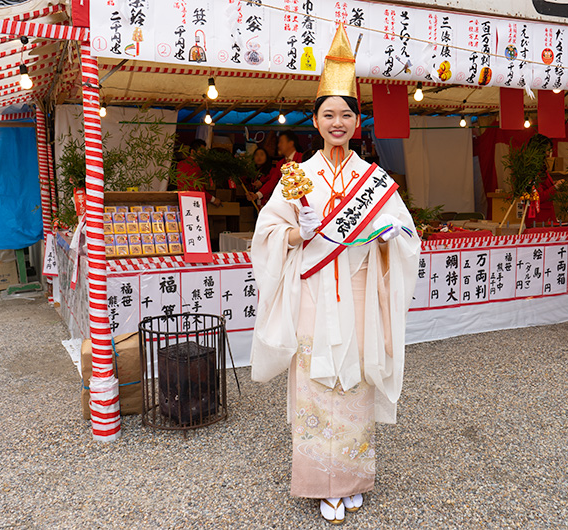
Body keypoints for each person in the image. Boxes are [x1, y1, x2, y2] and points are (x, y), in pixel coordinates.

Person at [250, 25, 420, 525]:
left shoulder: (376, 180)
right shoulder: (297, 176)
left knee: (356, 382)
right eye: (329, 114)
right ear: (317, 121)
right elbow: (266, 234)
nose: (338, 122)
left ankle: (351, 478)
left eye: (347, 114)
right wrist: (297, 235)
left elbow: (407, 233)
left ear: (357, 120)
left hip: (363, 295)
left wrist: (391, 238)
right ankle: (319, 481)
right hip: (315, 295)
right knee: (317, 383)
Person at [247, 130, 303, 205]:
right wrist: (257, 195)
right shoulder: (280, 164)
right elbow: (273, 181)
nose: (279, 145)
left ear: (290, 143)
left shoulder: (302, 158)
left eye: (281, 142)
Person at [176, 139, 221, 207]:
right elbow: (196, 188)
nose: (204, 155)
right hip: (192, 201)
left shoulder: (181, 163)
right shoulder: (192, 166)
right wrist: (213, 199)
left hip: (183, 199)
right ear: (193, 152)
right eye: (202, 152)